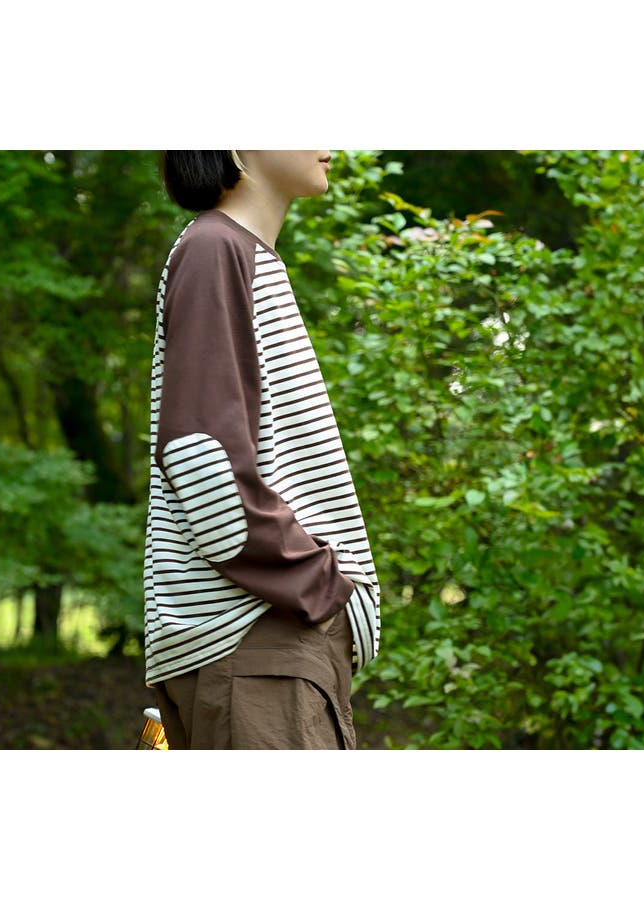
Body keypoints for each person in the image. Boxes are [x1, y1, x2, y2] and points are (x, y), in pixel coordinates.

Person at [144, 150, 380, 749]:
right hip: (256, 640)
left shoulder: (244, 255)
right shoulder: (214, 248)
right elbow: (201, 458)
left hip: (271, 645)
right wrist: (322, 586)